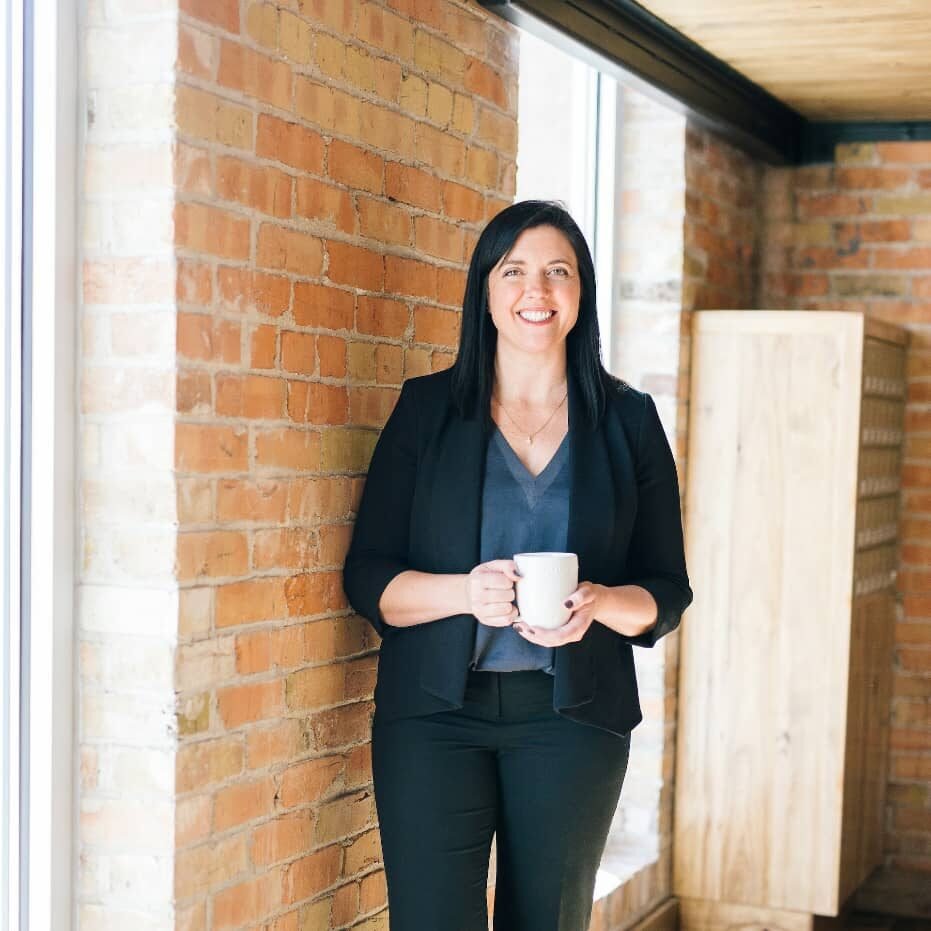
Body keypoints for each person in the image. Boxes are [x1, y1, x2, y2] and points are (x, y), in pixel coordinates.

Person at [342, 200, 692, 931]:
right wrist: (464, 593)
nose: (537, 290)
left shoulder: (627, 421)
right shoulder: (425, 411)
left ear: (579, 293)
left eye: (557, 272)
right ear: (486, 291)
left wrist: (597, 602)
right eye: (516, 271)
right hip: (433, 717)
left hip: (572, 721)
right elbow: (369, 578)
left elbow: (665, 591)